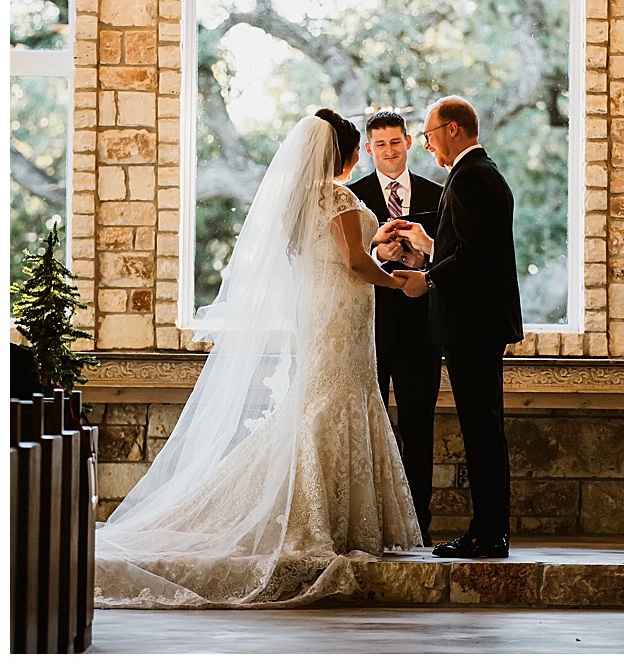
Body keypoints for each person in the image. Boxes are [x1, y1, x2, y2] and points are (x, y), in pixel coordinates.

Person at [95, 109, 421, 608]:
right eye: (359, 148)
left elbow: (330, 252)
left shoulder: (301, 200)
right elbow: (355, 264)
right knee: (333, 399)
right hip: (343, 310)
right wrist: (400, 280)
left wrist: (373, 243)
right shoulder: (337, 194)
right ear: (348, 152)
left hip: (322, 308)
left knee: (321, 398)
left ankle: (320, 509)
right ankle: (318, 516)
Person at [390, 97, 523, 559]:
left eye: (427, 136)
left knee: (482, 430)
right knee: (484, 427)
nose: (426, 146)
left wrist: (427, 278)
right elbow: (465, 244)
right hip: (479, 325)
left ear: (451, 130)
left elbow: (474, 258)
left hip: (473, 326)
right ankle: (490, 531)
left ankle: (488, 534)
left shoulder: (470, 178)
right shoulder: (480, 174)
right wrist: (430, 244)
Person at [348, 109, 445, 545]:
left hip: (420, 328)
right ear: (368, 149)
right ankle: (374, 523)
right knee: (369, 427)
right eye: (380, 144)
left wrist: (420, 257)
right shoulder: (352, 196)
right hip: (367, 327)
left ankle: (417, 523)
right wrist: (376, 251)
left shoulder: (437, 193)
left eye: (396, 142)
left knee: (418, 426)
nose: (389, 151)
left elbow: (448, 256)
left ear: (408, 142)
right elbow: (342, 258)